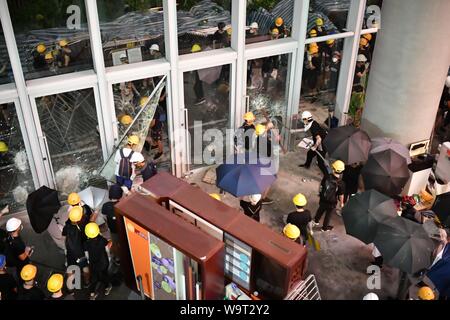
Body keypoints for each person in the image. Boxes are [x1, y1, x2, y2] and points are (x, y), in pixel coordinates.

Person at [313, 160, 346, 232]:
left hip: (323, 198)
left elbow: (321, 185)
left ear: (333, 168)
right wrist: (341, 203)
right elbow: (341, 195)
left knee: (320, 209)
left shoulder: (327, 176)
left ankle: (316, 221)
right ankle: (324, 228)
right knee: (328, 215)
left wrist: (320, 193)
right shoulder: (341, 183)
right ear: (341, 171)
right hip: (332, 202)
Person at [62, 206, 90, 288]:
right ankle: (86, 283)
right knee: (85, 267)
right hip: (81, 252)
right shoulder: (83, 226)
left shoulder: (67, 226)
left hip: (70, 251)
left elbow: (64, 235)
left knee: (71, 268)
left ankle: (71, 287)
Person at [84, 223, 113, 300]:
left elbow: (87, 255)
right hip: (103, 262)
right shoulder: (102, 240)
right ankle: (107, 287)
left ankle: (92, 293)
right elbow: (107, 249)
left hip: (93, 264)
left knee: (93, 278)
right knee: (105, 275)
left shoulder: (86, 243)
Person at [298, 111, 328, 176]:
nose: (303, 121)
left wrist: (314, 147)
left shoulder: (313, 128)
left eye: (303, 119)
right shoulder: (313, 123)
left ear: (306, 119)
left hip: (322, 145)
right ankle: (307, 165)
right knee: (310, 153)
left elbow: (319, 139)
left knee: (320, 163)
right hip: (321, 143)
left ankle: (327, 176)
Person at [102, 184, 123, 265]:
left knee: (115, 243)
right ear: (120, 195)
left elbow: (104, 216)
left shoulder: (105, 206)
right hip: (122, 229)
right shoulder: (122, 206)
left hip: (113, 230)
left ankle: (117, 258)